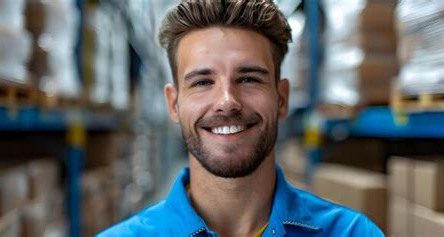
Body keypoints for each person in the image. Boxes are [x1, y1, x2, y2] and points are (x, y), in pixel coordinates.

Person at [99, 1, 384, 236]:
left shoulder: (353, 233)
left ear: (282, 98)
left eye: (248, 78)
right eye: (202, 82)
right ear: (173, 104)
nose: (227, 102)